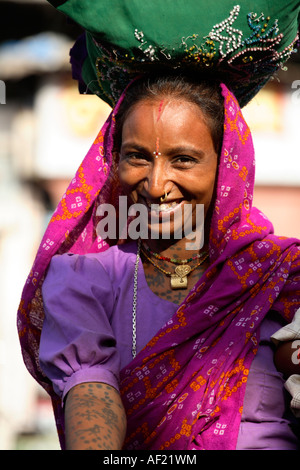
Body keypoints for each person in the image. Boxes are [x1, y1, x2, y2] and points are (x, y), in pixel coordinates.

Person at [17, 0, 300, 452]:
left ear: (226, 167)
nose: (155, 184)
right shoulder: (86, 278)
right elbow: (91, 390)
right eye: (137, 156)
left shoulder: (283, 275)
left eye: (183, 159)